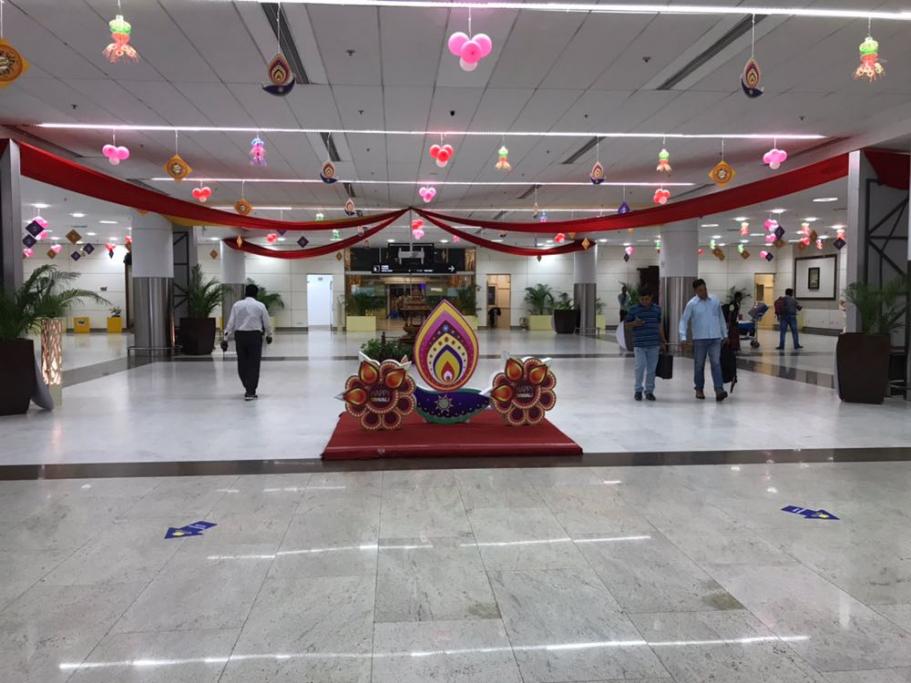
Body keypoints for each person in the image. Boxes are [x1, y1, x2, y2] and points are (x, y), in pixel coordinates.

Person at [679, 278, 729, 402]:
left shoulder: (715, 300)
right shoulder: (692, 304)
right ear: (696, 291)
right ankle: (699, 389)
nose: (704, 292)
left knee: (716, 364)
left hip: (715, 338)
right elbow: (684, 321)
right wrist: (683, 337)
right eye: (700, 290)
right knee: (699, 365)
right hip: (700, 339)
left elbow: (721, 318)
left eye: (705, 289)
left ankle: (719, 389)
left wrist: (725, 334)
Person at [221, 283, 273, 400]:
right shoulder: (260, 306)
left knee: (242, 362)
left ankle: (247, 386)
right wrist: (269, 335)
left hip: (240, 336)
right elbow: (267, 322)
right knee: (254, 364)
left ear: (245, 293)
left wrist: (225, 338)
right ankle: (250, 391)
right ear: (256, 294)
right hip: (255, 336)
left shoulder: (237, 305)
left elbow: (231, 323)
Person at [625, 285, 667, 401]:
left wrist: (663, 340)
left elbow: (659, 326)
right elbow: (626, 324)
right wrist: (634, 323)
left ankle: (649, 391)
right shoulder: (634, 309)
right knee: (639, 367)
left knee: (651, 369)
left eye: (647, 299)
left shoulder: (657, 309)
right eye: (642, 299)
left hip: (654, 344)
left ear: (651, 297)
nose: (644, 301)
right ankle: (638, 390)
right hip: (639, 344)